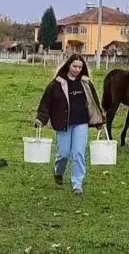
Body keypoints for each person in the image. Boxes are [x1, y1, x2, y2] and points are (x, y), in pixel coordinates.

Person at [35, 53, 105, 195]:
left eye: (80, 67)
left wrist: (99, 121)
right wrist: (41, 119)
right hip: (63, 123)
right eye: (74, 66)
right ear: (68, 65)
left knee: (78, 153)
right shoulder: (57, 83)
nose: (77, 69)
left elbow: (93, 104)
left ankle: (77, 183)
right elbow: (46, 102)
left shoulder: (85, 83)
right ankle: (58, 171)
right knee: (64, 153)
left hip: (81, 122)